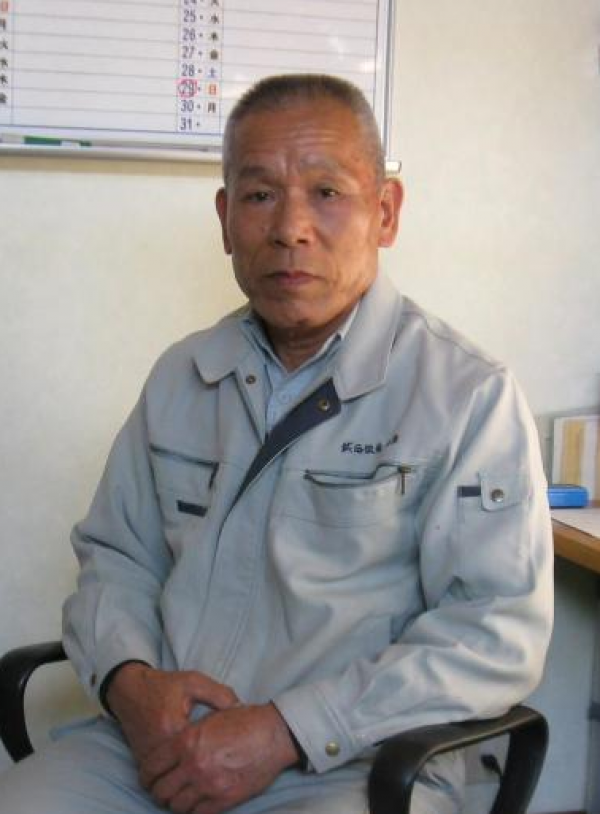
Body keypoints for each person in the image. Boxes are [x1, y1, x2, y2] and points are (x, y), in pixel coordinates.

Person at [0, 73, 553, 814]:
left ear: (385, 213)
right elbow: (116, 558)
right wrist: (130, 682)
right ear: (226, 219)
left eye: (326, 192)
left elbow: (494, 631)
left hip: (356, 761)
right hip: (158, 746)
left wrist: (289, 729)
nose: (291, 227)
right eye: (260, 195)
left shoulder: (467, 396)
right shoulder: (182, 376)